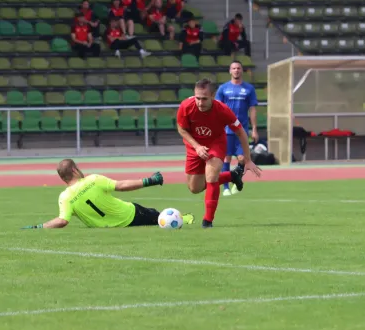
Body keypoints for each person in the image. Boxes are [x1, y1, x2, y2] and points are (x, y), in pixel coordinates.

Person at [176, 79, 262, 228]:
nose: (200, 103)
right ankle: (232, 175)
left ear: (213, 96)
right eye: (197, 98)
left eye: (204, 99)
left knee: (211, 176)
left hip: (215, 143)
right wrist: (197, 147)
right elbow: (181, 129)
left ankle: (207, 221)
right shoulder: (185, 106)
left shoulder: (222, 110)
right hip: (194, 147)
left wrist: (247, 159)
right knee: (194, 188)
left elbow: (241, 132)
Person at [21, 159, 194, 229]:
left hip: (106, 228)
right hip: (131, 215)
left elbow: (62, 221)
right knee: (158, 217)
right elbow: (122, 186)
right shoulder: (93, 179)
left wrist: (39, 227)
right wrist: (150, 180)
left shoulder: (64, 197)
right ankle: (184, 219)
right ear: (74, 169)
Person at [215, 60, 258, 196]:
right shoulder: (223, 88)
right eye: (233, 68)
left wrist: (254, 128)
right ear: (230, 71)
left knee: (241, 158)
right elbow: (217, 109)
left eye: (238, 68)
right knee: (226, 158)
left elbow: (252, 109)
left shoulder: (249, 89)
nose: (236, 70)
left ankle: (236, 181)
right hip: (226, 131)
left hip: (242, 130)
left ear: (242, 70)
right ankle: (226, 187)